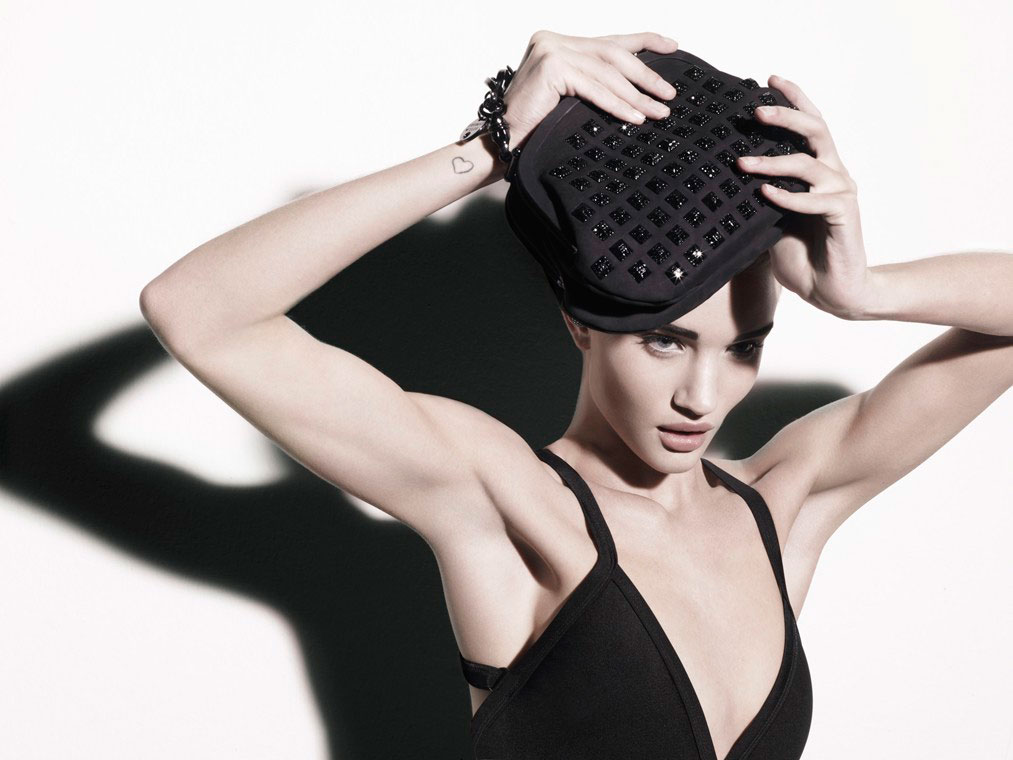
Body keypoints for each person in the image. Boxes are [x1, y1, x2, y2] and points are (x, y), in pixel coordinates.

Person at [139, 29, 1013, 760]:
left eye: (743, 348)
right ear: (580, 321)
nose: (701, 397)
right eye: (665, 340)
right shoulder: (508, 504)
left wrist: (864, 292)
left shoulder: (780, 507)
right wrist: (492, 147)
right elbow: (198, 312)